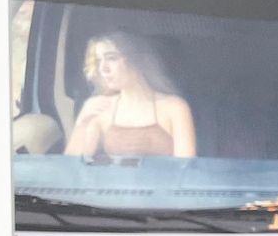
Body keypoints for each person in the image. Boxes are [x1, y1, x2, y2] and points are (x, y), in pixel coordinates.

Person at [64, 32, 195, 158]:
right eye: (99, 61)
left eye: (111, 58)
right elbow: (73, 170)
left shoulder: (174, 107)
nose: (103, 68)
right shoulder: (100, 108)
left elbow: (185, 169)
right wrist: (82, 123)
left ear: (136, 61)